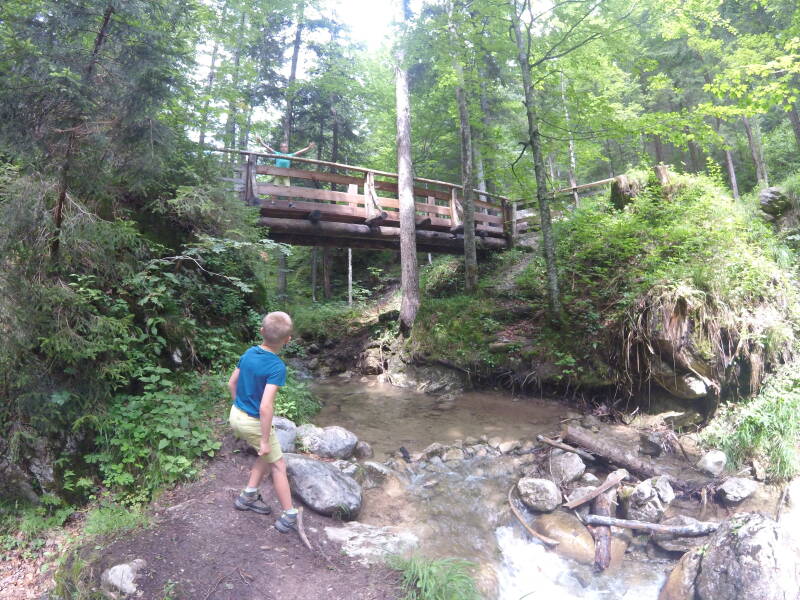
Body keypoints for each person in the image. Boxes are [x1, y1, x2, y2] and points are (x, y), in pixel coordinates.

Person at [228, 311, 298, 533]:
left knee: (265, 455)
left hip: (236, 415)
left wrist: (239, 406)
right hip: (253, 422)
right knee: (278, 465)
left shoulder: (249, 353)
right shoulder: (276, 366)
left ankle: (248, 495)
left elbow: (231, 383)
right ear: (287, 340)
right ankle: (289, 515)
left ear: (261, 331)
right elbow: (265, 407)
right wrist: (265, 439)